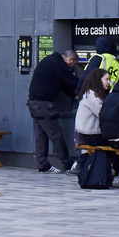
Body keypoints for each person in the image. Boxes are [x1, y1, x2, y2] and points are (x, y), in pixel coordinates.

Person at [28, 42, 80, 174]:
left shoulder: (52, 61)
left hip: (34, 103)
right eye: (74, 64)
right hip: (43, 104)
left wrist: (74, 95)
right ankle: (68, 164)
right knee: (56, 134)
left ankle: (43, 165)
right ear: (70, 60)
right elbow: (71, 80)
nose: (73, 68)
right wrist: (85, 86)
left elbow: (62, 84)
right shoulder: (58, 64)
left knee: (41, 135)